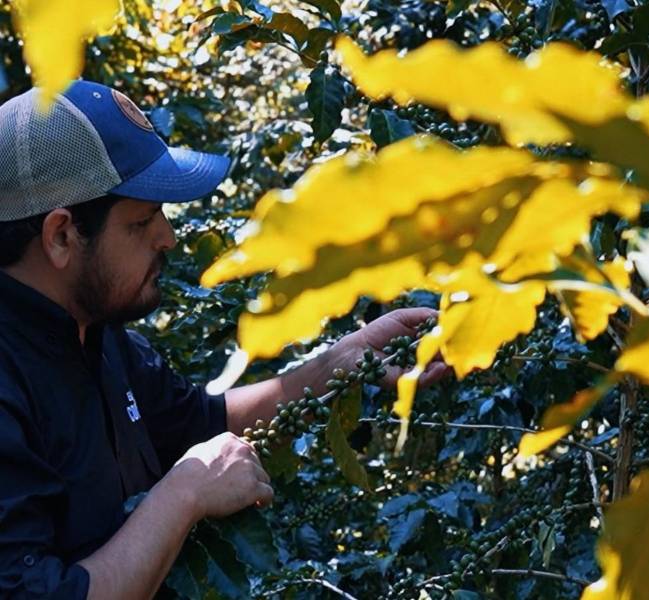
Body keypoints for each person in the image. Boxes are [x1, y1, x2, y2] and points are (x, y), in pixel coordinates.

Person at [0, 81, 447, 599]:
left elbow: (199, 420)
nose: (166, 236)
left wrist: (341, 361)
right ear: (61, 236)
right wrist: (184, 493)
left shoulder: (97, 333)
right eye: (142, 220)